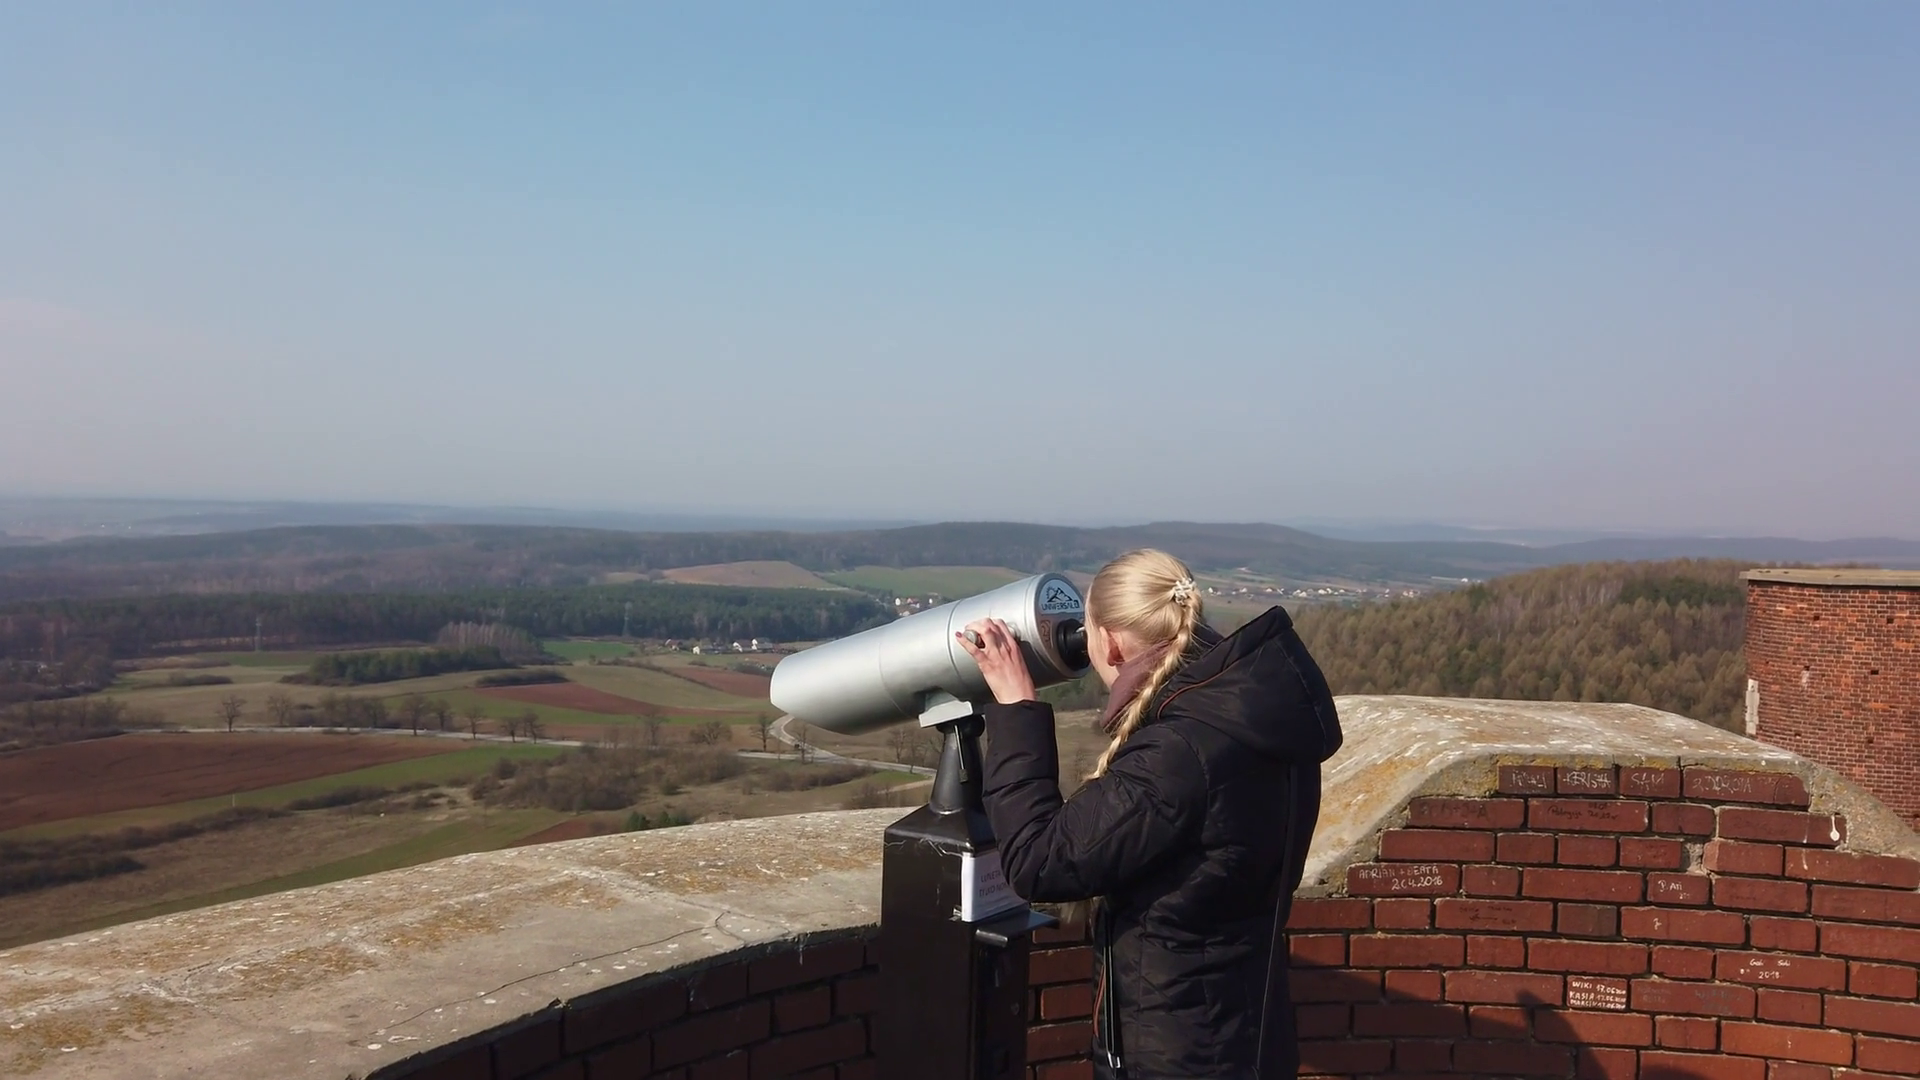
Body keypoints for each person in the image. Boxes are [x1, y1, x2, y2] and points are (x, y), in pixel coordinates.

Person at [958, 548, 1342, 1080]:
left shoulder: (1178, 752)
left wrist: (1016, 708)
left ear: (1112, 642)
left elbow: (1039, 861)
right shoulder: (1249, 715)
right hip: (1248, 1033)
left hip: (1180, 1053)